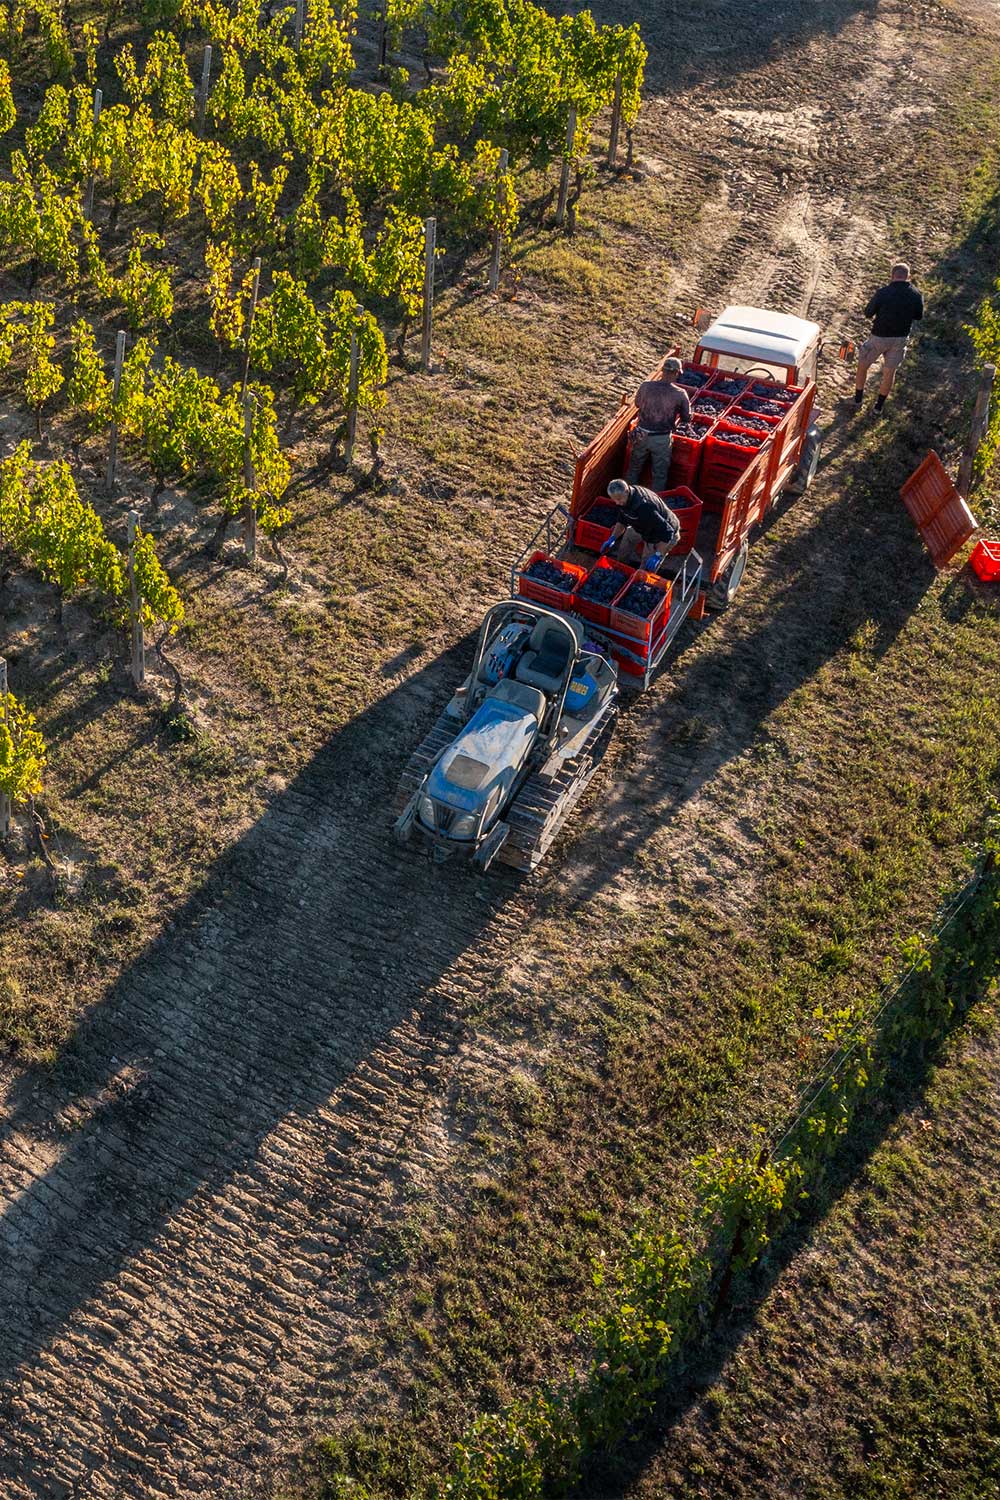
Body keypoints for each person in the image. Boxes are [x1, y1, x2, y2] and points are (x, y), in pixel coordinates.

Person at [855, 262, 924, 412]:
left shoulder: (883, 292)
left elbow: (868, 313)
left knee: (862, 365)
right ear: (908, 277)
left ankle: (857, 400)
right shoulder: (916, 294)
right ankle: (878, 408)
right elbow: (918, 316)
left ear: (892, 276)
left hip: (879, 337)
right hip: (900, 339)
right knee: (889, 373)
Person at [626, 356, 691, 489]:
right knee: (659, 474)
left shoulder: (645, 386)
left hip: (640, 434)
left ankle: (627, 498)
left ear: (662, 370)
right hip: (661, 439)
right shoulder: (680, 394)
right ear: (677, 373)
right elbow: (686, 417)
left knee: (633, 469)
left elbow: (638, 404)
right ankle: (654, 502)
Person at [603, 478, 681, 570]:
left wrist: (657, 555)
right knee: (628, 537)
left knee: (646, 566)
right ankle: (620, 568)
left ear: (627, 491)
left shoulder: (645, 506)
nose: (617, 502)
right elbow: (622, 521)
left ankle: (642, 579)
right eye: (614, 500)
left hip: (661, 533)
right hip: (644, 526)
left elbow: (667, 532)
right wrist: (613, 538)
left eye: (619, 499)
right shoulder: (624, 500)